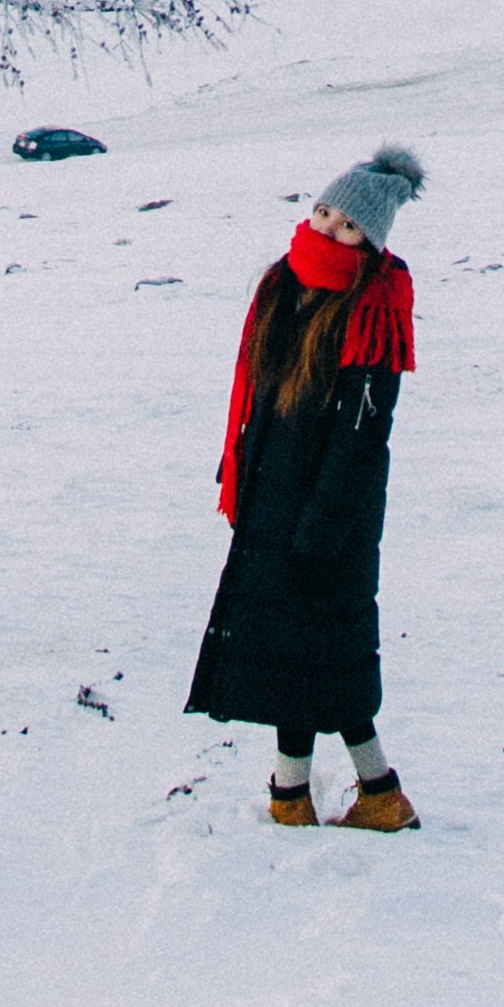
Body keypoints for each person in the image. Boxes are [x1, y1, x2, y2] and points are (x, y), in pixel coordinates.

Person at [185, 145, 423, 828]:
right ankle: (313, 795)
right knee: (298, 652)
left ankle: (359, 795)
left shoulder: (372, 309)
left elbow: (361, 437)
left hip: (328, 514)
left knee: (327, 655)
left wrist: (323, 524)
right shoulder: (283, 286)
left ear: (371, 241)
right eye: (323, 211)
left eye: (347, 224)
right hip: (272, 496)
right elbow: (258, 396)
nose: (327, 228)